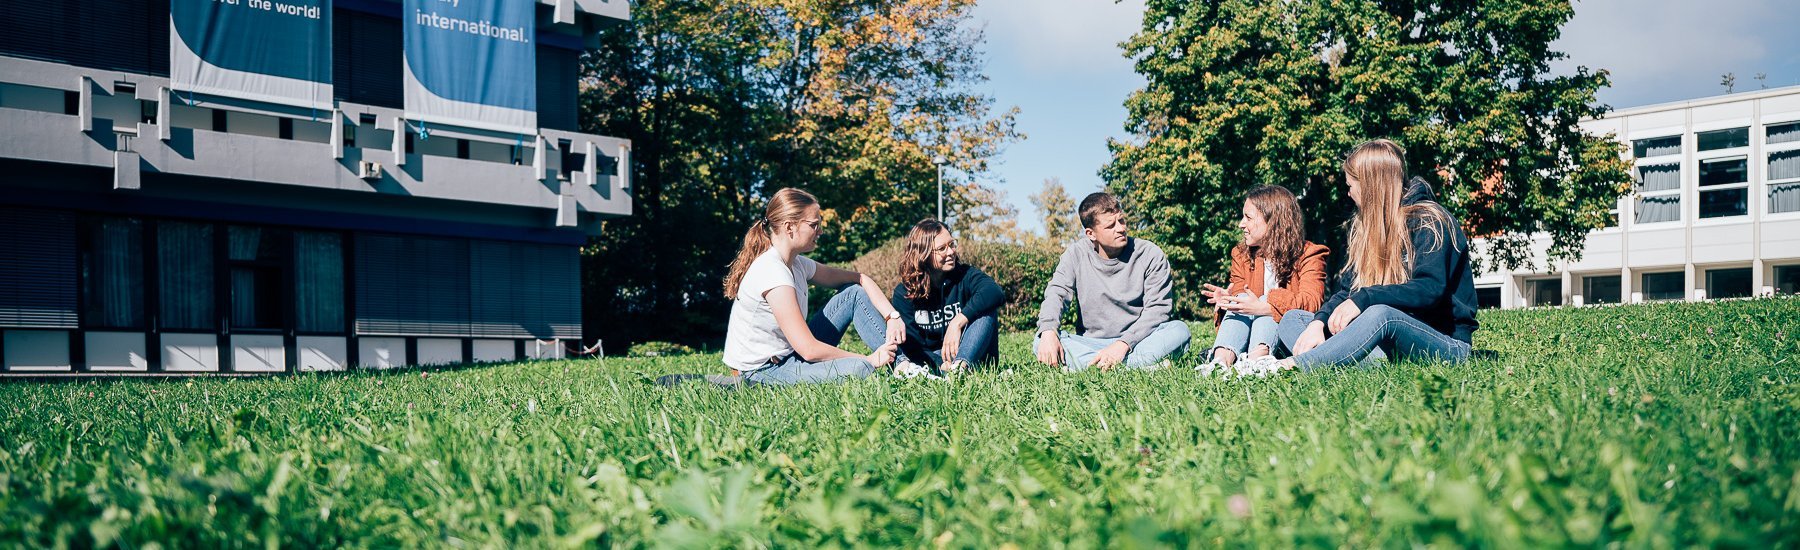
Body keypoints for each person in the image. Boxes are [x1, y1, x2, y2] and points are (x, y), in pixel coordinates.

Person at [1274, 139, 1479, 371]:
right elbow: (1347, 292)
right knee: (1294, 319)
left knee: (1381, 314)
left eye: (1350, 186)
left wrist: (1365, 298)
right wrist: (1318, 323)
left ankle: (1291, 366)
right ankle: (1336, 361)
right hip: (1384, 344)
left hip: (1443, 343)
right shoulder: (1366, 228)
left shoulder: (1431, 221)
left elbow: (1429, 289)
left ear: (1371, 186)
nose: (1348, 194)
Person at [720, 188, 908, 385]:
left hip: (789, 356)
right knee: (859, 368)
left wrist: (892, 316)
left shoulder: (797, 264)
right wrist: (869, 360)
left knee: (852, 294)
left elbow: (860, 279)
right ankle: (891, 365)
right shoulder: (772, 272)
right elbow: (809, 350)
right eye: (814, 225)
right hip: (761, 373)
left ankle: (903, 366)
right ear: (789, 227)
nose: (820, 231)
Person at [1033, 192, 1191, 371]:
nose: (1121, 228)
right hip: (1091, 344)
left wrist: (1123, 344)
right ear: (1091, 234)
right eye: (1111, 226)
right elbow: (1057, 293)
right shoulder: (1075, 254)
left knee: (1179, 331)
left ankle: (1089, 367)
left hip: (1138, 342)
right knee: (1041, 341)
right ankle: (1136, 368)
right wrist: (1048, 331)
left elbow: (1158, 310)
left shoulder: (1150, 254)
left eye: (1121, 221)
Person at [1199, 185, 1330, 368]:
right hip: (1247, 336)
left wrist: (1265, 306)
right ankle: (1220, 362)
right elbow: (1242, 301)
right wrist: (1230, 300)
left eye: (1249, 218)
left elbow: (1311, 303)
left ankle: (1256, 362)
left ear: (1273, 221)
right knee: (1242, 297)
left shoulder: (1309, 254)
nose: (1241, 224)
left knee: (1267, 298)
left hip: (1288, 336)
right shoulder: (1241, 254)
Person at [889, 219, 1004, 374]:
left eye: (951, 244)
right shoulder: (905, 293)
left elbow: (994, 292)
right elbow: (912, 346)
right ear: (924, 254)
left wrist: (957, 321)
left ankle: (959, 370)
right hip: (931, 360)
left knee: (986, 309)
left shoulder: (965, 274)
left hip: (971, 352)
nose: (950, 252)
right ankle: (951, 372)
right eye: (942, 248)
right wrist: (939, 364)